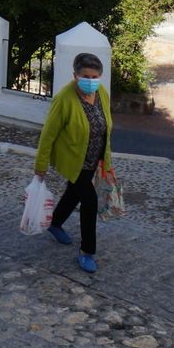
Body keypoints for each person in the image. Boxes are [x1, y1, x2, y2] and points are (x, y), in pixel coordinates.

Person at [33, 52, 113, 273]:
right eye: (85, 76)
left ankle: (55, 223)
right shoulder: (64, 99)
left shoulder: (102, 93)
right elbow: (48, 134)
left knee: (74, 193)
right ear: (75, 75)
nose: (90, 80)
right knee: (90, 201)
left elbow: (106, 127)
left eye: (95, 76)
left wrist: (106, 159)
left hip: (93, 160)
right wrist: (40, 167)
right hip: (73, 161)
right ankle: (87, 251)